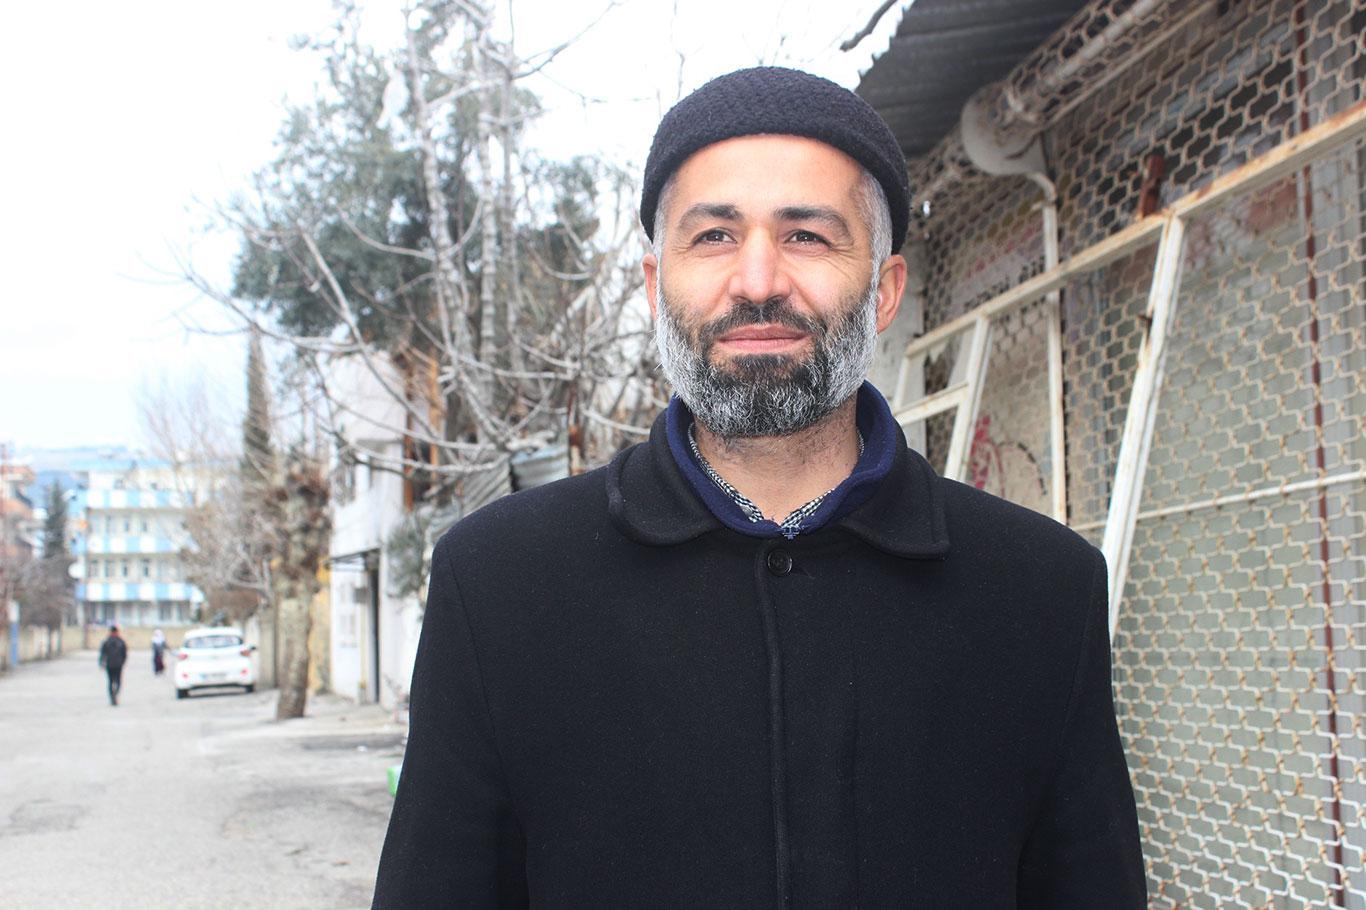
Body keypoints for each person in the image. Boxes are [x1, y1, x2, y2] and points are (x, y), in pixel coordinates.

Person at [373, 67, 1145, 907]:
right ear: (654, 285)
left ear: (886, 290)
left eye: (807, 235)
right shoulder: (498, 586)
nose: (758, 280)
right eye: (714, 236)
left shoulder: (1043, 592)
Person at [98, 624, 127, 706]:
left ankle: (112, 696)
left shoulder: (106, 641)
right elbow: (124, 654)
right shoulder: (121, 641)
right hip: (118, 664)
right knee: (117, 681)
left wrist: (102, 663)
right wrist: (122, 662)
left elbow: (102, 653)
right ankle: (115, 694)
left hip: (110, 664)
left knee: (111, 681)